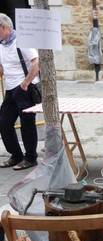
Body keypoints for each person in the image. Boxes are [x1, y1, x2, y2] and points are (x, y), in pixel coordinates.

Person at [0, 13, 40, 170]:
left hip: (24, 88)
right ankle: (16, 155)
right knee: (4, 123)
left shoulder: (22, 41)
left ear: (4, 27)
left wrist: (26, 82)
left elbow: (36, 63)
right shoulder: (2, 44)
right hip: (10, 89)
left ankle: (30, 158)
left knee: (27, 124)